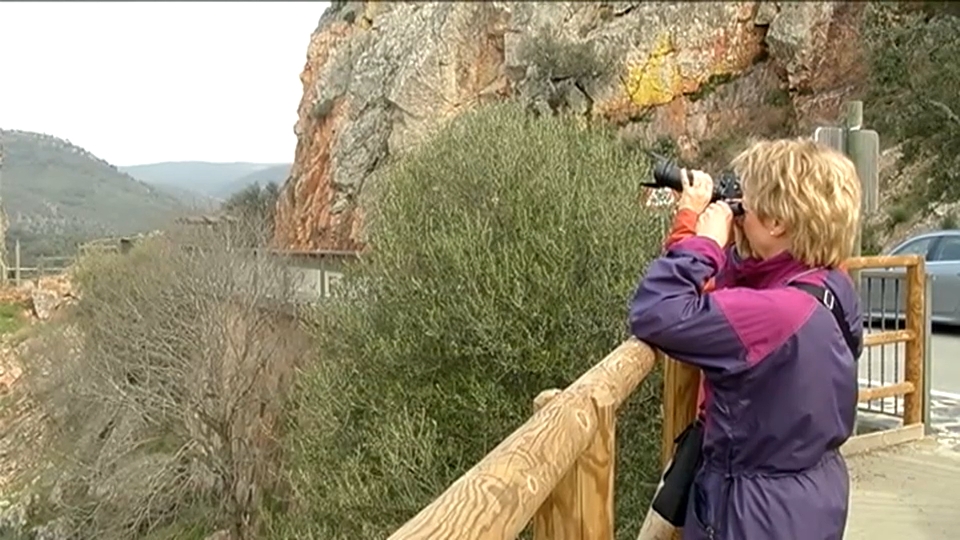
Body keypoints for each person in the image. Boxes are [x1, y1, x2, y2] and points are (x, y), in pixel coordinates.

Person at [629, 138, 864, 540]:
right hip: (807, 501)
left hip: (751, 514)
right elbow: (735, 288)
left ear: (777, 222)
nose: (739, 209)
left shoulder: (776, 315)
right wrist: (726, 229)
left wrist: (703, 241)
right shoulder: (830, 285)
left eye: (747, 202)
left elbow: (655, 311)